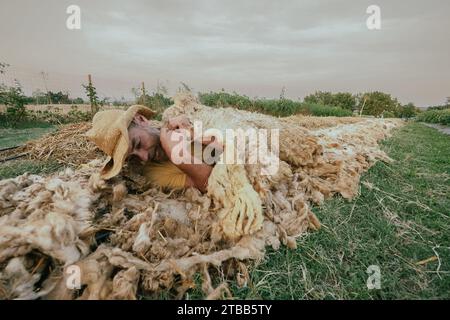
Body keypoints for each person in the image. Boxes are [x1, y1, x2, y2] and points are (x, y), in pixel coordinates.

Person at [86, 105, 222, 193]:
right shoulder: (153, 173)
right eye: (132, 157)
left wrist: (196, 134)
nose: (144, 157)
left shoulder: (182, 120)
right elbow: (211, 185)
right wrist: (178, 155)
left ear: (141, 120)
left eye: (138, 144)